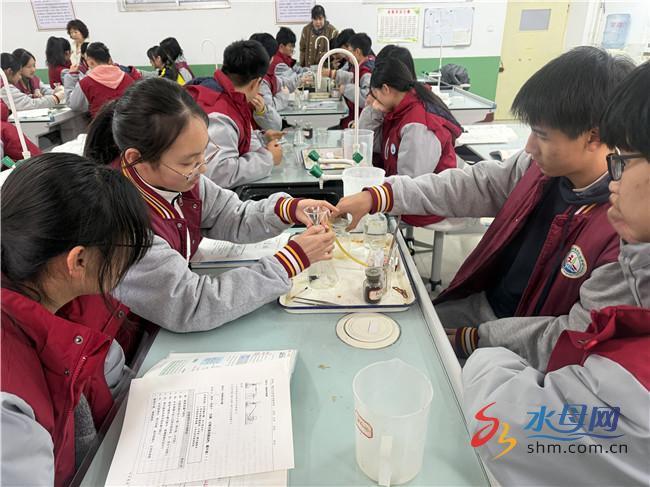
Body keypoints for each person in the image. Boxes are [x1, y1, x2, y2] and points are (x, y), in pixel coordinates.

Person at [335, 47, 636, 370]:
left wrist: (472, 340)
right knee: (384, 334)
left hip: (526, 360)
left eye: (542, 135)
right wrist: (381, 195)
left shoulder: (625, 232)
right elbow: (470, 185)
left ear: (593, 137)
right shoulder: (536, 170)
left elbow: (573, 338)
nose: (529, 146)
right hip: (482, 310)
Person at [463, 61, 650, 487]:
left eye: (624, 160)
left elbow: (510, 424)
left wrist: (479, 346)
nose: (615, 179)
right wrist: (383, 194)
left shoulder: (617, 239)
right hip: (498, 329)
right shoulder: (544, 175)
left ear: (593, 137)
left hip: (512, 356)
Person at [83, 77, 336, 345]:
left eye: (203, 153)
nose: (202, 168)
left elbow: (232, 215)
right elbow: (192, 304)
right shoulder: (124, 226)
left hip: (163, 328)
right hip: (134, 342)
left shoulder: (181, 181)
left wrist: (287, 209)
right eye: (188, 162)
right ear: (135, 159)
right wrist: (289, 261)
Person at [0, 153, 153, 487]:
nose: (128, 262)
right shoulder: (9, 405)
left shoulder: (74, 304)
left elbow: (117, 380)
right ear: (78, 260)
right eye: (124, 249)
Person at [359, 58, 462, 226]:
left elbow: (411, 185)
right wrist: (374, 110)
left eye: (375, 95)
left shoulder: (418, 124)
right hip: (405, 191)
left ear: (385, 89)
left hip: (427, 203)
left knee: (363, 208)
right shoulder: (399, 109)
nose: (373, 101)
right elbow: (372, 144)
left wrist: (376, 197)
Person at [185, 40, 283, 188]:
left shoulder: (226, 95)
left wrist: (262, 137)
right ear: (255, 83)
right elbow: (218, 173)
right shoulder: (219, 114)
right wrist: (268, 159)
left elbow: (230, 140)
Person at [66, 42, 135, 117]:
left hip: (101, 123)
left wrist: (72, 76)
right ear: (109, 60)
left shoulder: (86, 83)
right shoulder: (128, 78)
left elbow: (74, 105)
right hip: (127, 122)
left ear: (90, 62)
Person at [322, 33, 375, 128]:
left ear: (357, 52)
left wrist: (345, 88)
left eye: (349, 51)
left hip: (357, 120)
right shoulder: (358, 65)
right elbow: (352, 77)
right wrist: (334, 74)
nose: (347, 54)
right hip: (351, 115)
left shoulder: (366, 71)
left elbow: (366, 98)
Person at [249, 32, 290, 131]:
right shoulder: (258, 81)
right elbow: (271, 107)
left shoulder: (265, 75)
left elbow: (282, 83)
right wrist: (284, 95)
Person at [271, 27, 313, 93]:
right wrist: (310, 74)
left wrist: (312, 70)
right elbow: (292, 80)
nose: (292, 49)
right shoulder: (278, 63)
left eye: (293, 47)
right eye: (290, 46)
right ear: (281, 46)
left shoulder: (287, 59)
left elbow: (298, 70)